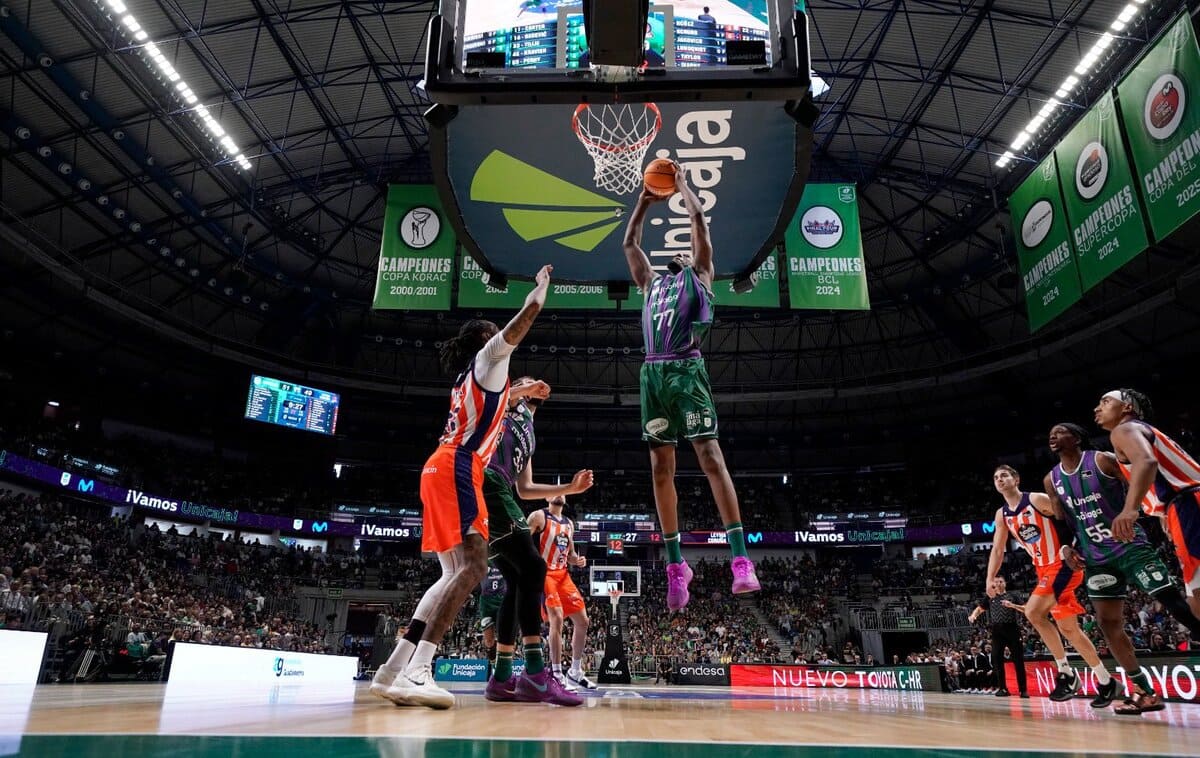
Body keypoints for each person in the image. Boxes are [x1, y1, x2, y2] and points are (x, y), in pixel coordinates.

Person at [370, 264, 554, 709]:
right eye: (494, 333)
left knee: (451, 573)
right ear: (485, 338)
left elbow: (500, 397)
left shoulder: (473, 378)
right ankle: (419, 671)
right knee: (472, 569)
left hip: (437, 466)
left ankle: (393, 667)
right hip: (459, 468)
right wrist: (539, 293)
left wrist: (523, 393)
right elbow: (516, 328)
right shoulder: (490, 357)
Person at [621, 162, 760, 611]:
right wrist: (642, 203)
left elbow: (698, 221)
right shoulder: (650, 284)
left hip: (685, 369)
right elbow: (629, 243)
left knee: (709, 456)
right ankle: (676, 568)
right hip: (653, 374)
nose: (678, 254)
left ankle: (741, 560)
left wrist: (682, 188)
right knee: (661, 468)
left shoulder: (699, 276)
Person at [482, 377, 592, 706]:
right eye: (525, 382)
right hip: (486, 483)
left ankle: (501, 678)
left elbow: (526, 489)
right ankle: (534, 673)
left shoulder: (528, 433)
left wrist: (570, 490)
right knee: (534, 566)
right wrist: (520, 390)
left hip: (502, 492)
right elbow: (491, 398)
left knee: (519, 581)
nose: (532, 384)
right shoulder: (502, 407)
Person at [986, 463, 1112, 703]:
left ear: (1016, 479)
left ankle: (1066, 673)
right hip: (1043, 568)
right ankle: (1105, 681)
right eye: (996, 477)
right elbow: (998, 549)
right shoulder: (1002, 515)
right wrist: (990, 578)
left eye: (1004, 475)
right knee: (1069, 630)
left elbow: (1070, 517)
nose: (1000, 479)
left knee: (1034, 612)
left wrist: (1074, 547)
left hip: (1062, 564)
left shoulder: (1036, 499)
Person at [1100, 390, 1200, 618]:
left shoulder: (1123, 429)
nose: (1097, 408)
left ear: (1127, 408)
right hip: (1185, 503)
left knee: (1198, 593)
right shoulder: (1143, 431)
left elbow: (1146, 461)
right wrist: (1162, 513)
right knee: (1193, 595)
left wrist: (1129, 509)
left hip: (1189, 505)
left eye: (1105, 402)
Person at [529, 494, 596, 691]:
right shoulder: (539, 516)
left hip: (563, 576)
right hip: (545, 574)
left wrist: (578, 560)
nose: (559, 493)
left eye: (563, 491)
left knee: (583, 621)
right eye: (555, 490)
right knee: (556, 618)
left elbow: (571, 554)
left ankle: (574, 671)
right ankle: (556, 673)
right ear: (547, 496)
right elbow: (522, 542)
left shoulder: (569, 524)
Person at [968, 577, 1028, 697]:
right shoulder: (990, 597)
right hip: (997, 631)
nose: (998, 584)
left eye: (1001, 581)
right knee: (997, 660)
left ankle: (1023, 690)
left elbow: (1026, 608)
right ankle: (1003, 688)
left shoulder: (1013, 596)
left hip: (1012, 629)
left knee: (1018, 661)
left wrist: (1012, 605)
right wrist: (973, 615)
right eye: (996, 582)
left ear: (1005, 583)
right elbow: (980, 608)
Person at [477, 561, 506, 673]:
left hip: (503, 600)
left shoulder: (507, 559)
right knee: (489, 640)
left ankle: (504, 666)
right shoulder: (484, 560)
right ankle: (494, 667)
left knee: (504, 637)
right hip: (486, 602)